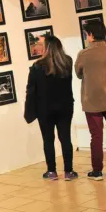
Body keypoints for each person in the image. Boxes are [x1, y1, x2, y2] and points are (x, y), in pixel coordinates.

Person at [25, 36, 78, 181]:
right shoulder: (67, 62)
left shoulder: (37, 66)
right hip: (65, 107)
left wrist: (29, 111)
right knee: (65, 138)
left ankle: (51, 172)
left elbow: (31, 91)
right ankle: (69, 172)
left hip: (44, 109)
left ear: (47, 47)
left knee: (48, 140)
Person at [75, 20, 106, 181]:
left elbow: (78, 73)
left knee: (96, 136)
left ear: (90, 35)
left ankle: (97, 171)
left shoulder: (83, 55)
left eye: (86, 34)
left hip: (91, 102)